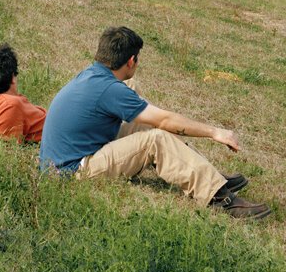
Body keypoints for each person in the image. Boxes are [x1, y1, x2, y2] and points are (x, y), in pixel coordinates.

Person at [39, 26, 270, 219]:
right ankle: (219, 197)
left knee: (135, 95)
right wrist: (214, 132)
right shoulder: (109, 90)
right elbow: (165, 120)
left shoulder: (92, 75)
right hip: (71, 173)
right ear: (131, 60)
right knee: (155, 139)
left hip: (65, 159)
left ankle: (205, 173)